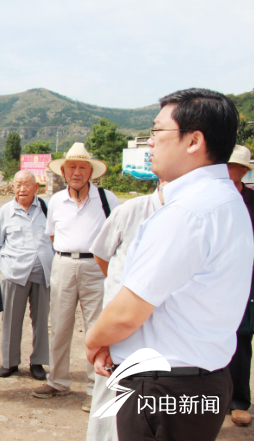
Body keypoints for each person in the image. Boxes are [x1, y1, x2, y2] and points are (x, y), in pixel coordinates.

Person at [85, 88, 252, 441]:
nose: (149, 144)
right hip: (201, 378)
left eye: (157, 132)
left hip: (165, 389)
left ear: (194, 140)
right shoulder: (226, 200)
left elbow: (127, 313)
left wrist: (95, 341)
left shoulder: (186, 212)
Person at [32, 142, 118, 413]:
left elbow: (116, 237)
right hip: (64, 264)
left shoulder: (107, 199)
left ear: (91, 171)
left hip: (96, 267)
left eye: (82, 167)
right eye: (72, 167)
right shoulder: (56, 200)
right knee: (59, 325)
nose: (77, 172)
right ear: (64, 172)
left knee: (96, 328)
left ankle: (96, 389)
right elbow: (53, 236)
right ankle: (58, 381)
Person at [86, 182, 166, 441]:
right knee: (110, 393)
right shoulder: (131, 210)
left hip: (164, 329)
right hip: (121, 320)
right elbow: (102, 254)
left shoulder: (193, 217)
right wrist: (123, 294)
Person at [0, 170, 53, 381]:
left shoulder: (47, 208)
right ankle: (10, 362)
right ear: (13, 187)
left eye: (27, 184)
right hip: (14, 274)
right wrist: (3, 267)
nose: (22, 188)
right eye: (18, 184)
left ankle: (38, 362)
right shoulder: (5, 212)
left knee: (41, 321)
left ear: (36, 187)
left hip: (42, 273)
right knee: (10, 320)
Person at [226, 144, 254, 427]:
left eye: (231, 165)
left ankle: (239, 401)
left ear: (243, 171)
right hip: (211, 281)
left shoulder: (252, 201)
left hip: (244, 280)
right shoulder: (209, 199)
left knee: (241, 339)